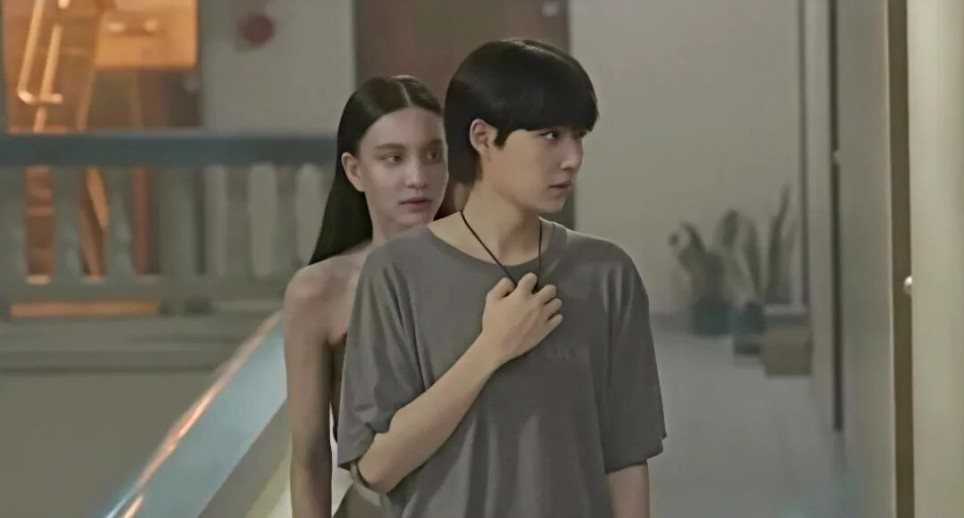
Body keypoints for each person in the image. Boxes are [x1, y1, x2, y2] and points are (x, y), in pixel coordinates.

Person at [337, 38, 667, 518]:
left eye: (578, 135)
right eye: (550, 135)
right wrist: (491, 350)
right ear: (483, 137)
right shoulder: (396, 273)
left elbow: (626, 459)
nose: (573, 157)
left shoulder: (605, 273)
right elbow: (376, 468)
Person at [283, 75, 448, 518]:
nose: (417, 178)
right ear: (355, 170)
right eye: (393, 158)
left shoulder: (485, 272)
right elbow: (309, 456)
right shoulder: (320, 291)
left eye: (433, 155)